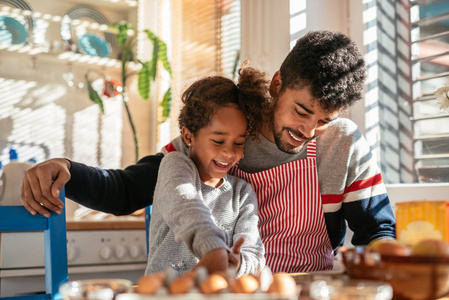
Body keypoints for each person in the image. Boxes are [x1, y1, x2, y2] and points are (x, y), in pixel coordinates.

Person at [21, 30, 396, 273]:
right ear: (278, 84)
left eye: (324, 121)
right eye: (301, 111)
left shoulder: (344, 143)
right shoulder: (224, 135)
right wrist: (66, 168)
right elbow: (127, 189)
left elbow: (377, 229)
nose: (308, 132)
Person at [146, 67, 268, 276]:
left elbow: (253, 251)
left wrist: (238, 263)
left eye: (239, 143)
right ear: (188, 136)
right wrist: (213, 247)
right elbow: (186, 206)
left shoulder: (242, 193)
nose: (229, 152)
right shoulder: (174, 165)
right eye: (218, 141)